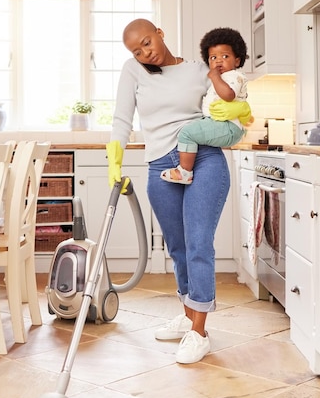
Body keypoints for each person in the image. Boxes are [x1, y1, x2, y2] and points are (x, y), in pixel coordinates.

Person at [106, 18, 251, 364]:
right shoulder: (134, 71)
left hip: (204, 159)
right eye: (136, 50)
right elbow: (121, 118)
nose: (144, 52)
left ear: (160, 32)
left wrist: (240, 112)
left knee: (199, 242)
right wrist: (116, 157)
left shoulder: (201, 67)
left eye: (146, 42)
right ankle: (188, 315)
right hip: (160, 164)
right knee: (178, 247)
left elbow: (230, 93)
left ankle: (199, 332)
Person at [161, 27, 252, 185]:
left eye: (225, 56)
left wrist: (215, 77)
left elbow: (228, 95)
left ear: (237, 60)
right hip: (223, 124)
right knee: (191, 131)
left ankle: (184, 172)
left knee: (187, 133)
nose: (218, 61)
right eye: (212, 57)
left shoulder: (234, 76)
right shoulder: (223, 77)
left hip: (228, 127)